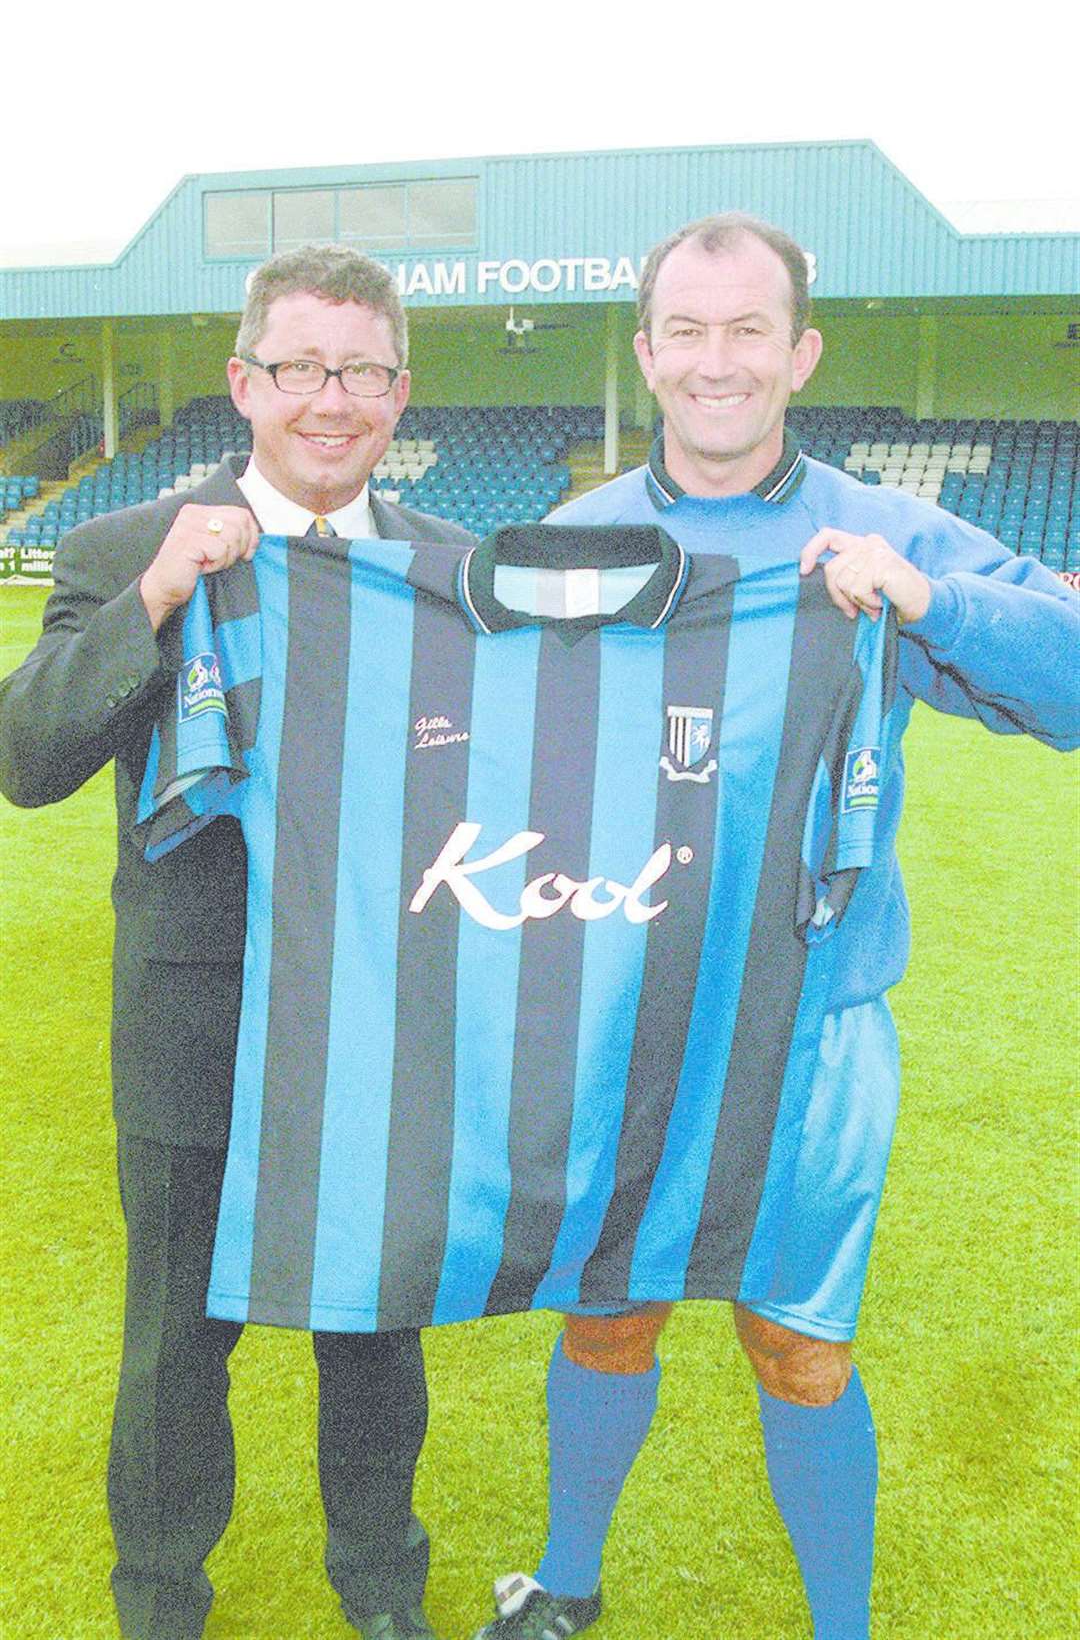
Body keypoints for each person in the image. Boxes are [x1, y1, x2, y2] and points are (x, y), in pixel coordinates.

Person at [468, 213, 1079, 1640]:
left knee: (798, 1346)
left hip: (812, 1033)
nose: (717, 361)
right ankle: (563, 1584)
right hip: (624, 1019)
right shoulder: (573, 540)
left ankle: (841, 1630)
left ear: (800, 353)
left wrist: (928, 603)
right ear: (646, 353)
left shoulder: (884, 532)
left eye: (749, 330)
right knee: (606, 1313)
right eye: (688, 330)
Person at [0, 244, 473, 1640]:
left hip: (390, 1023)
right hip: (196, 1022)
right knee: (174, 1351)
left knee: (377, 1328)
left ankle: (382, 1589)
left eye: (363, 372)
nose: (333, 400)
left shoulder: (456, 572)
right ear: (244, 382)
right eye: (301, 368)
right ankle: (159, 1604)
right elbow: (27, 757)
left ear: (399, 390)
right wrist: (156, 595)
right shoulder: (116, 546)